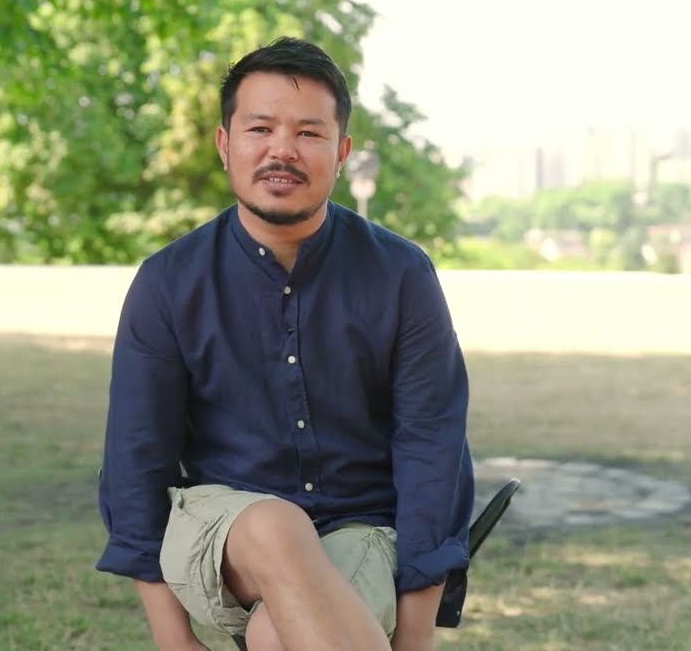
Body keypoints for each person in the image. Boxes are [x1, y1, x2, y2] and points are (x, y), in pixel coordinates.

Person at [96, 37, 475, 651]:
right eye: (260, 128)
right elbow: (136, 460)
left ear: (342, 152)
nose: (282, 150)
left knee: (277, 637)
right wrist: (175, 640)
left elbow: (433, 451)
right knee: (276, 524)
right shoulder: (168, 282)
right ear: (225, 144)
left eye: (308, 133)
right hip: (222, 530)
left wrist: (414, 639)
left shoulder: (402, 275)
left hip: (361, 531)